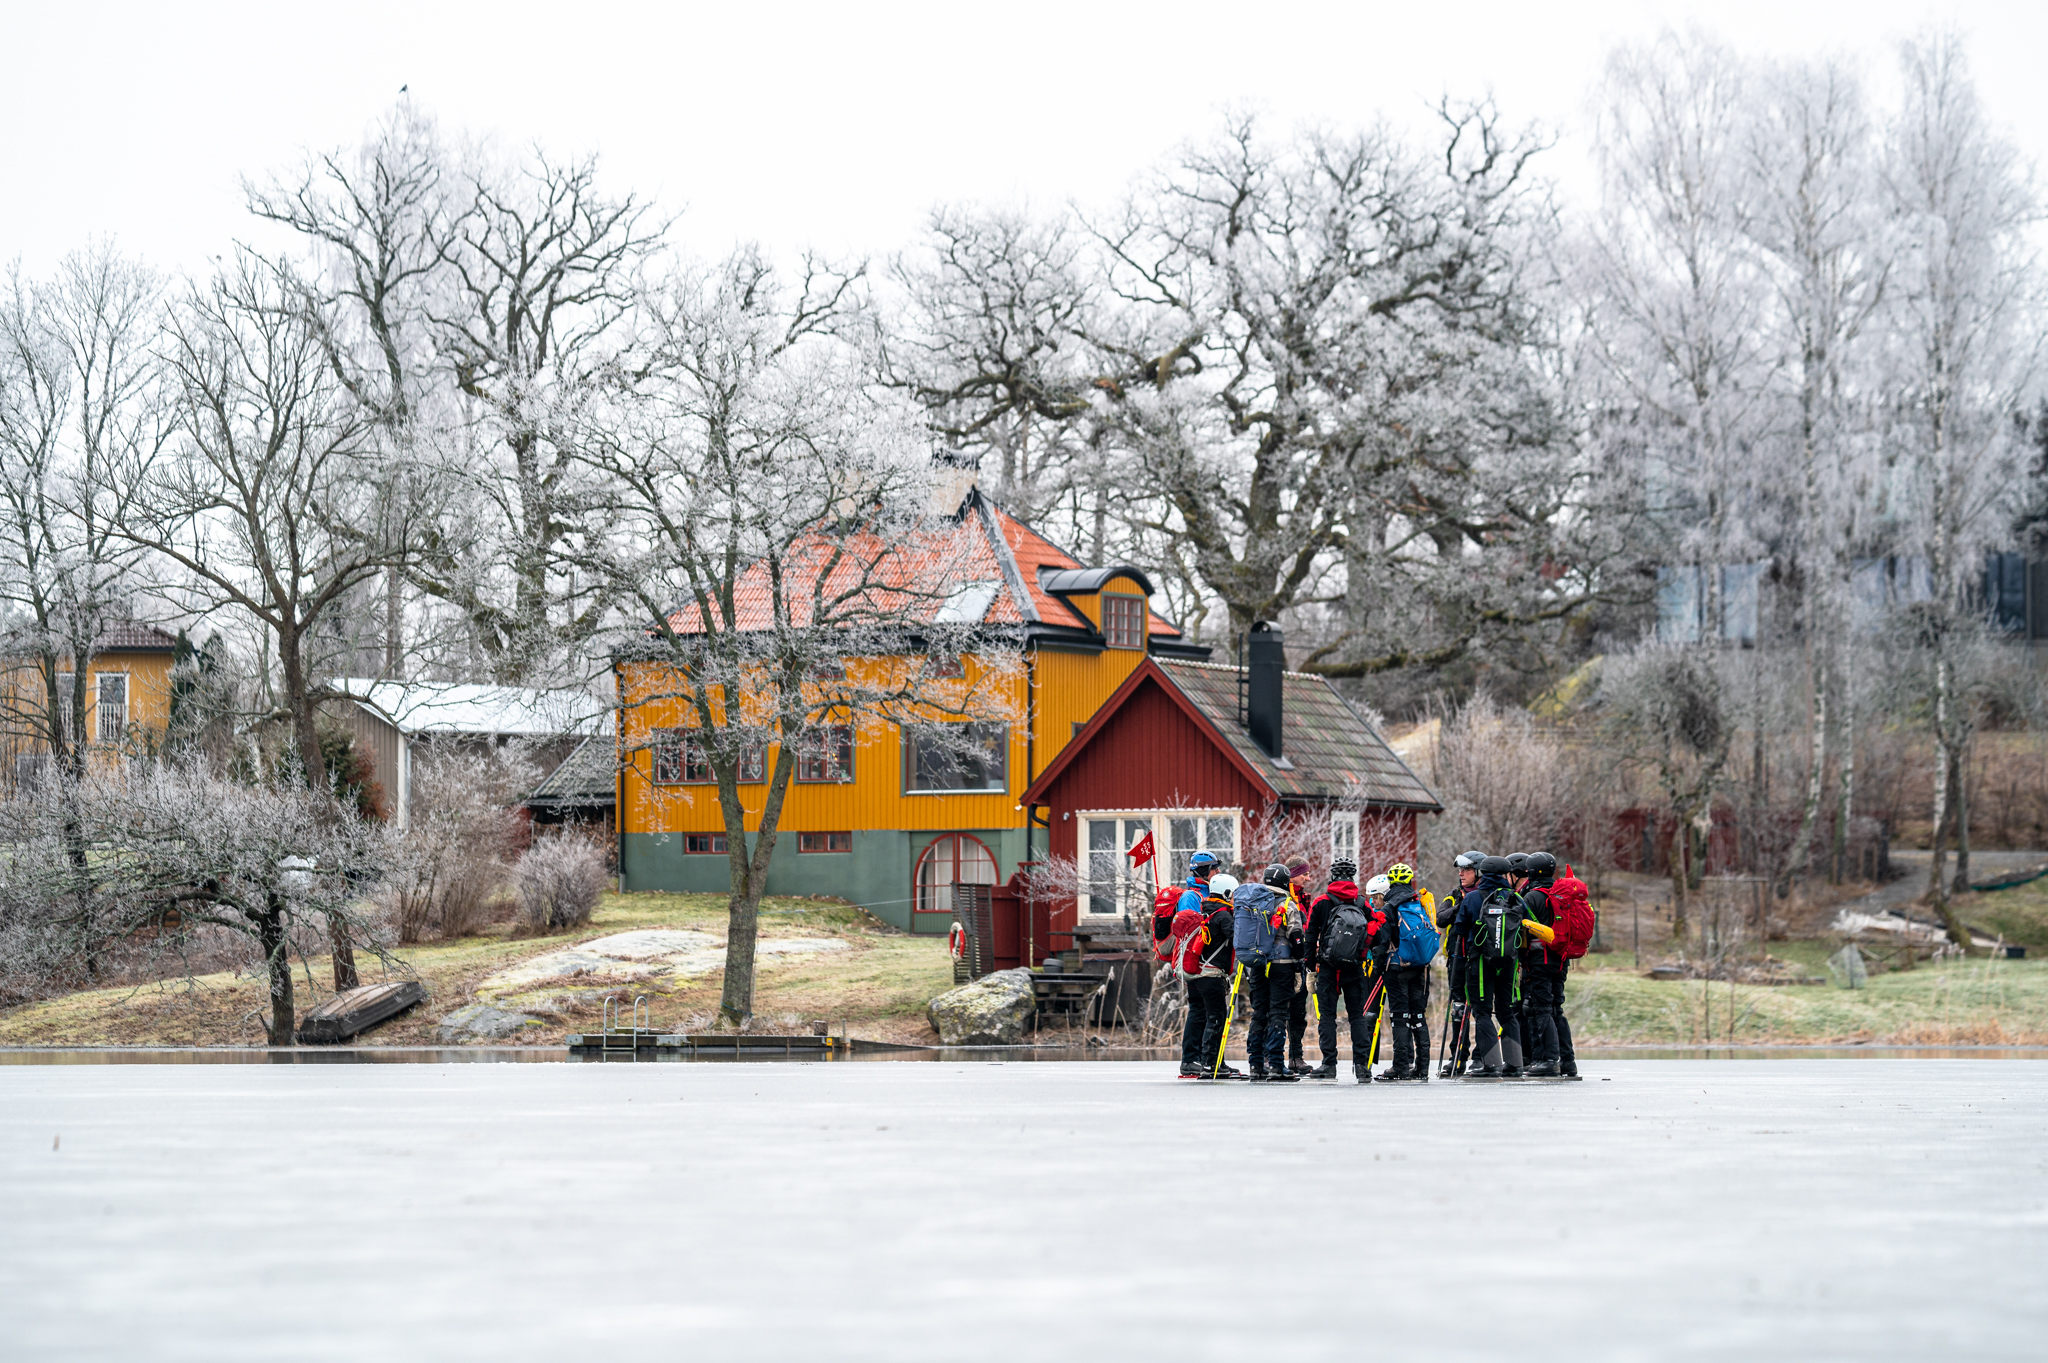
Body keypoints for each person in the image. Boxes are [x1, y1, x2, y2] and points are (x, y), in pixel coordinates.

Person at [1304, 858, 1378, 1083]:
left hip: (1328, 967)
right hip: (1355, 968)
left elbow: (1310, 934)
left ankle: (1329, 1065)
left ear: (1333, 876)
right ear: (1353, 877)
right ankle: (1362, 1067)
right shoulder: (1363, 904)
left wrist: (1310, 962)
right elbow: (1375, 935)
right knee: (1357, 1016)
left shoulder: (1321, 902)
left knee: (1327, 1016)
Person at [1232, 864, 1302, 1082]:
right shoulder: (1288, 904)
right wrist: (1301, 961)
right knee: (1279, 1013)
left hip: (1257, 965)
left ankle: (1256, 1064)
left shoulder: (1254, 903)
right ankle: (1276, 1066)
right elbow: (1297, 941)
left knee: (1259, 1012)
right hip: (1282, 965)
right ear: (1285, 882)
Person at [1172, 873, 1242, 1079]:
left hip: (1197, 973)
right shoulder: (1223, 916)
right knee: (1216, 1018)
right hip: (1211, 975)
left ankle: (1210, 1061)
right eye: (1234, 894)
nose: (1235, 899)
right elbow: (1236, 939)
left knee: (1202, 1014)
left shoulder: (1206, 911)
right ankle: (1211, 1063)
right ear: (1227, 893)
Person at [1463, 855, 1525, 1078]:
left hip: (1480, 962)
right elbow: (1527, 923)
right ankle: (1515, 1065)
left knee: (1482, 1012)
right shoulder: (1515, 898)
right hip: (1509, 962)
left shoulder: (1472, 899)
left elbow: (1460, 928)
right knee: (1507, 1012)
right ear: (1505, 875)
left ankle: (1491, 1065)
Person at [1516, 852, 1576, 1079]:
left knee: (1541, 1009)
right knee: (1556, 1009)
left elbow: (1519, 929)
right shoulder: (1561, 894)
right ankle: (1568, 1061)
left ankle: (1549, 1060)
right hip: (1561, 960)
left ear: (1530, 873)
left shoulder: (1532, 897)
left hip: (1539, 962)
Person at [1376, 862, 1439, 1082]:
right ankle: (1422, 1069)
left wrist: (1377, 967)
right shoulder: (1419, 902)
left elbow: (1381, 942)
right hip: (1421, 968)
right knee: (1419, 1017)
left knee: (1399, 1017)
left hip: (1396, 968)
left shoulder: (1389, 907)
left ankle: (1400, 1068)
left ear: (1391, 883)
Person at [1438, 850, 1485, 1078]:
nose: (1461, 874)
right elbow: (1441, 917)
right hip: (1456, 960)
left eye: (1466, 870)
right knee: (1458, 1010)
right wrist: (1461, 906)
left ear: (1478, 872)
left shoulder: (1487, 893)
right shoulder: (1455, 894)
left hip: (1480, 961)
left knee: (1480, 1010)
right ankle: (1457, 1058)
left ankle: (1481, 1057)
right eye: (1460, 870)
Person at [1283, 862, 1314, 1075]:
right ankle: (1271, 1057)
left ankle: (1296, 1057)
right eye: (1305, 874)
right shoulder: (1285, 898)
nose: (1308, 878)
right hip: (1284, 961)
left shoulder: (1303, 898)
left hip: (1300, 961)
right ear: (1293, 875)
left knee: (1298, 1012)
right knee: (1276, 1011)